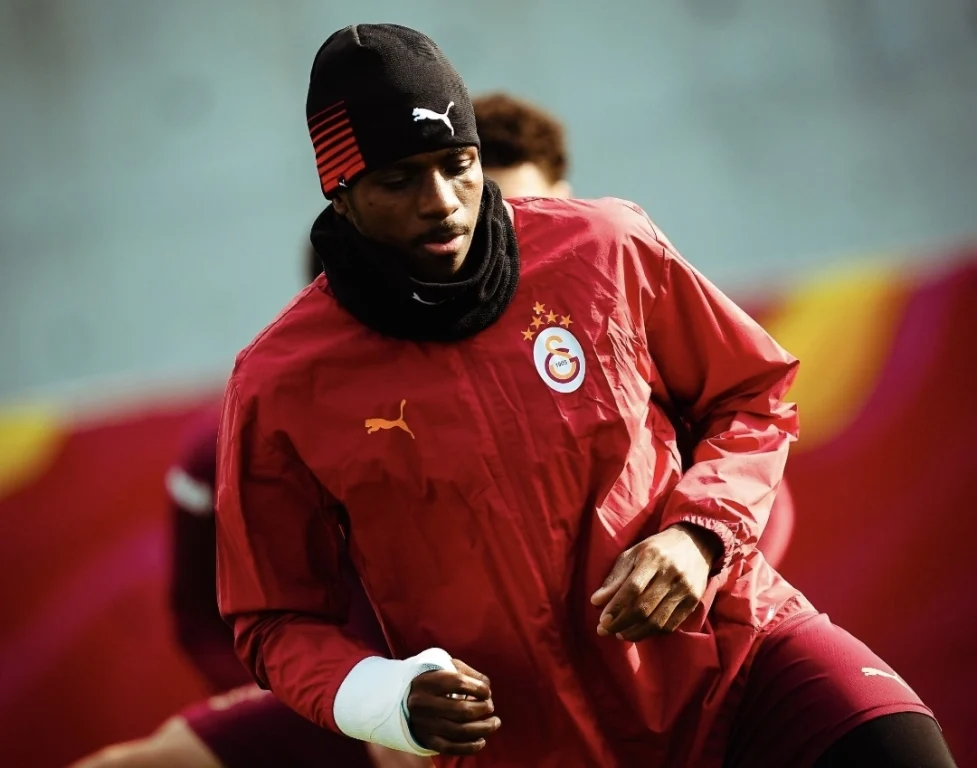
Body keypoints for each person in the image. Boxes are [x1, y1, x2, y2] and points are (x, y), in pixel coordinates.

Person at [215, 24, 956, 768]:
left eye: (458, 164)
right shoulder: (279, 382)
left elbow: (753, 392)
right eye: (398, 180)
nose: (441, 202)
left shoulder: (605, 244)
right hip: (529, 741)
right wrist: (384, 697)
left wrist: (698, 534)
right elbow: (274, 617)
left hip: (736, 659)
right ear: (341, 196)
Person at [69, 249, 422, 768]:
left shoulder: (466, 412)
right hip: (335, 696)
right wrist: (348, 696)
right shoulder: (225, 447)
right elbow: (201, 615)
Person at [473, 91, 797, 568]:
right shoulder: (440, 355)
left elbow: (752, 420)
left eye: (531, 208)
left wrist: (699, 549)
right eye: (490, 218)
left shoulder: (623, 284)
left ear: (565, 197)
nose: (510, 234)